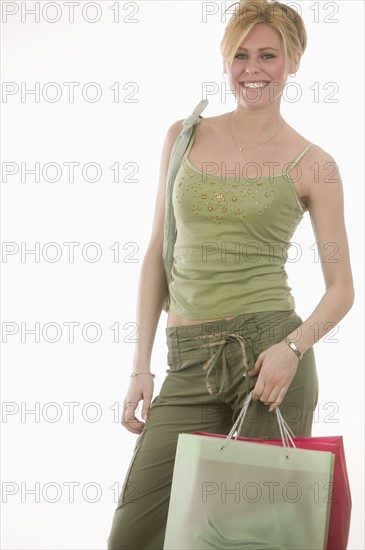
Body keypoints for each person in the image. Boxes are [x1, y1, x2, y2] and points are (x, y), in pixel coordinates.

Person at [107, 0, 354, 548]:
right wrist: (139, 366)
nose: (253, 69)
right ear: (225, 61)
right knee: (133, 534)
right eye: (240, 55)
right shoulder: (184, 135)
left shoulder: (316, 164)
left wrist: (292, 349)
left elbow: (342, 290)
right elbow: (157, 252)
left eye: (268, 55)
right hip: (187, 360)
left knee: (248, 539)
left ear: (293, 62)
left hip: (268, 361)